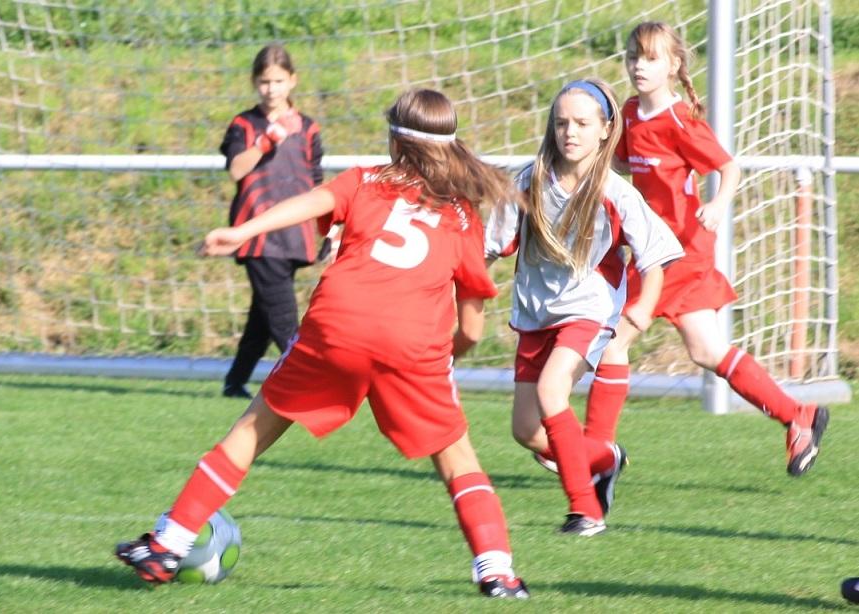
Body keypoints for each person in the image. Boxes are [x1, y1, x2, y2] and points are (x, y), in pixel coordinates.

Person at [116, 88, 530, 599]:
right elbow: (469, 330)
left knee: (252, 430)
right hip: (413, 343)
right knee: (457, 458)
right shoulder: (463, 216)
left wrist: (242, 230)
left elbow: (309, 202)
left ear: (395, 141)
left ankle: (168, 544)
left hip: (338, 324)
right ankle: (497, 573)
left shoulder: (363, 181)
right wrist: (435, 364)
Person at [579, 21, 828, 477]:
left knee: (613, 341)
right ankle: (799, 415)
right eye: (634, 56)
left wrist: (716, 204)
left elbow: (728, 168)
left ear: (673, 66)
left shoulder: (680, 122)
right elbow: (625, 162)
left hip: (680, 252)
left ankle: (592, 454)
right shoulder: (631, 112)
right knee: (708, 351)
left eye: (651, 58)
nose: (639, 65)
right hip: (657, 250)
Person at [485, 78, 684, 536]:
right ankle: (605, 457)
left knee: (552, 392)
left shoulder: (617, 192)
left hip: (588, 308)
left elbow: (655, 259)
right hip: (536, 312)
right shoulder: (528, 179)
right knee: (526, 431)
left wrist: (640, 311)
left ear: (605, 129)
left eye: (581, 123)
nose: (569, 132)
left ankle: (585, 511)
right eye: (560, 123)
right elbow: (489, 248)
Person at [218, 43, 324, 399]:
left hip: (295, 235)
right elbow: (236, 170)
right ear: (254, 83)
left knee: (263, 316)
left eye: (278, 81)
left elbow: (317, 180)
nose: (271, 89)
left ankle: (235, 382)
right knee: (282, 315)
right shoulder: (244, 124)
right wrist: (267, 141)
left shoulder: (308, 128)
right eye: (264, 82)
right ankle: (310, 382)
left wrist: (330, 227)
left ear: (292, 81)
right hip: (257, 235)